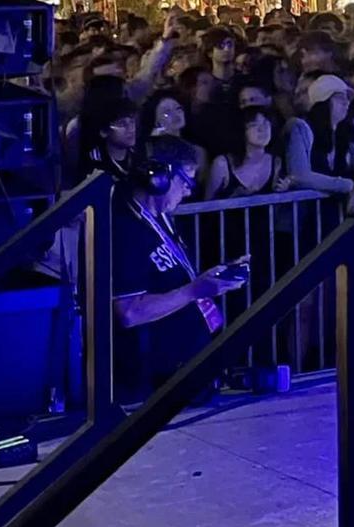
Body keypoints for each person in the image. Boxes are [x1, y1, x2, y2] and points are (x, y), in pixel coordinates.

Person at [111, 136, 248, 401]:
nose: (188, 191)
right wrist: (194, 291)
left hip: (185, 366)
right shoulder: (124, 227)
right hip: (154, 382)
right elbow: (129, 312)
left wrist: (213, 279)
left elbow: (171, 280)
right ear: (159, 177)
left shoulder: (159, 216)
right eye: (186, 181)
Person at [284, 74, 354, 212]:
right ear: (324, 101)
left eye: (347, 98)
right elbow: (300, 175)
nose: (346, 103)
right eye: (340, 98)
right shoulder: (299, 127)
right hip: (304, 217)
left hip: (334, 214)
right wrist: (346, 185)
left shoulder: (347, 131)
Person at [205, 106, 290, 199]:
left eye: (266, 123)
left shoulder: (276, 162)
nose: (262, 129)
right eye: (254, 125)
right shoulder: (222, 164)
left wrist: (285, 190)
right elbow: (207, 205)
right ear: (242, 130)